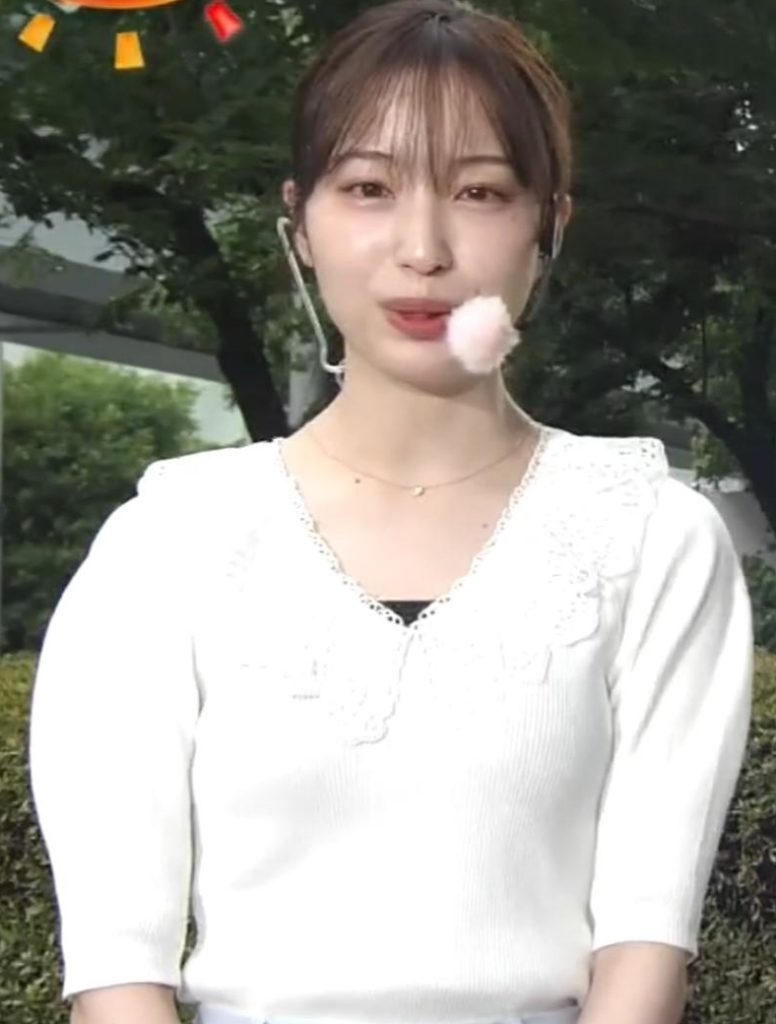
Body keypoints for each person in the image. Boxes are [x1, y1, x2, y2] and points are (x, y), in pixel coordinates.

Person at [28, 2, 754, 1024]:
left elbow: (646, 941)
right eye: (368, 187)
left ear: (550, 224)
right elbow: (115, 966)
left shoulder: (652, 534)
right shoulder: (170, 539)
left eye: (480, 191)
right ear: (300, 222)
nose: (422, 247)